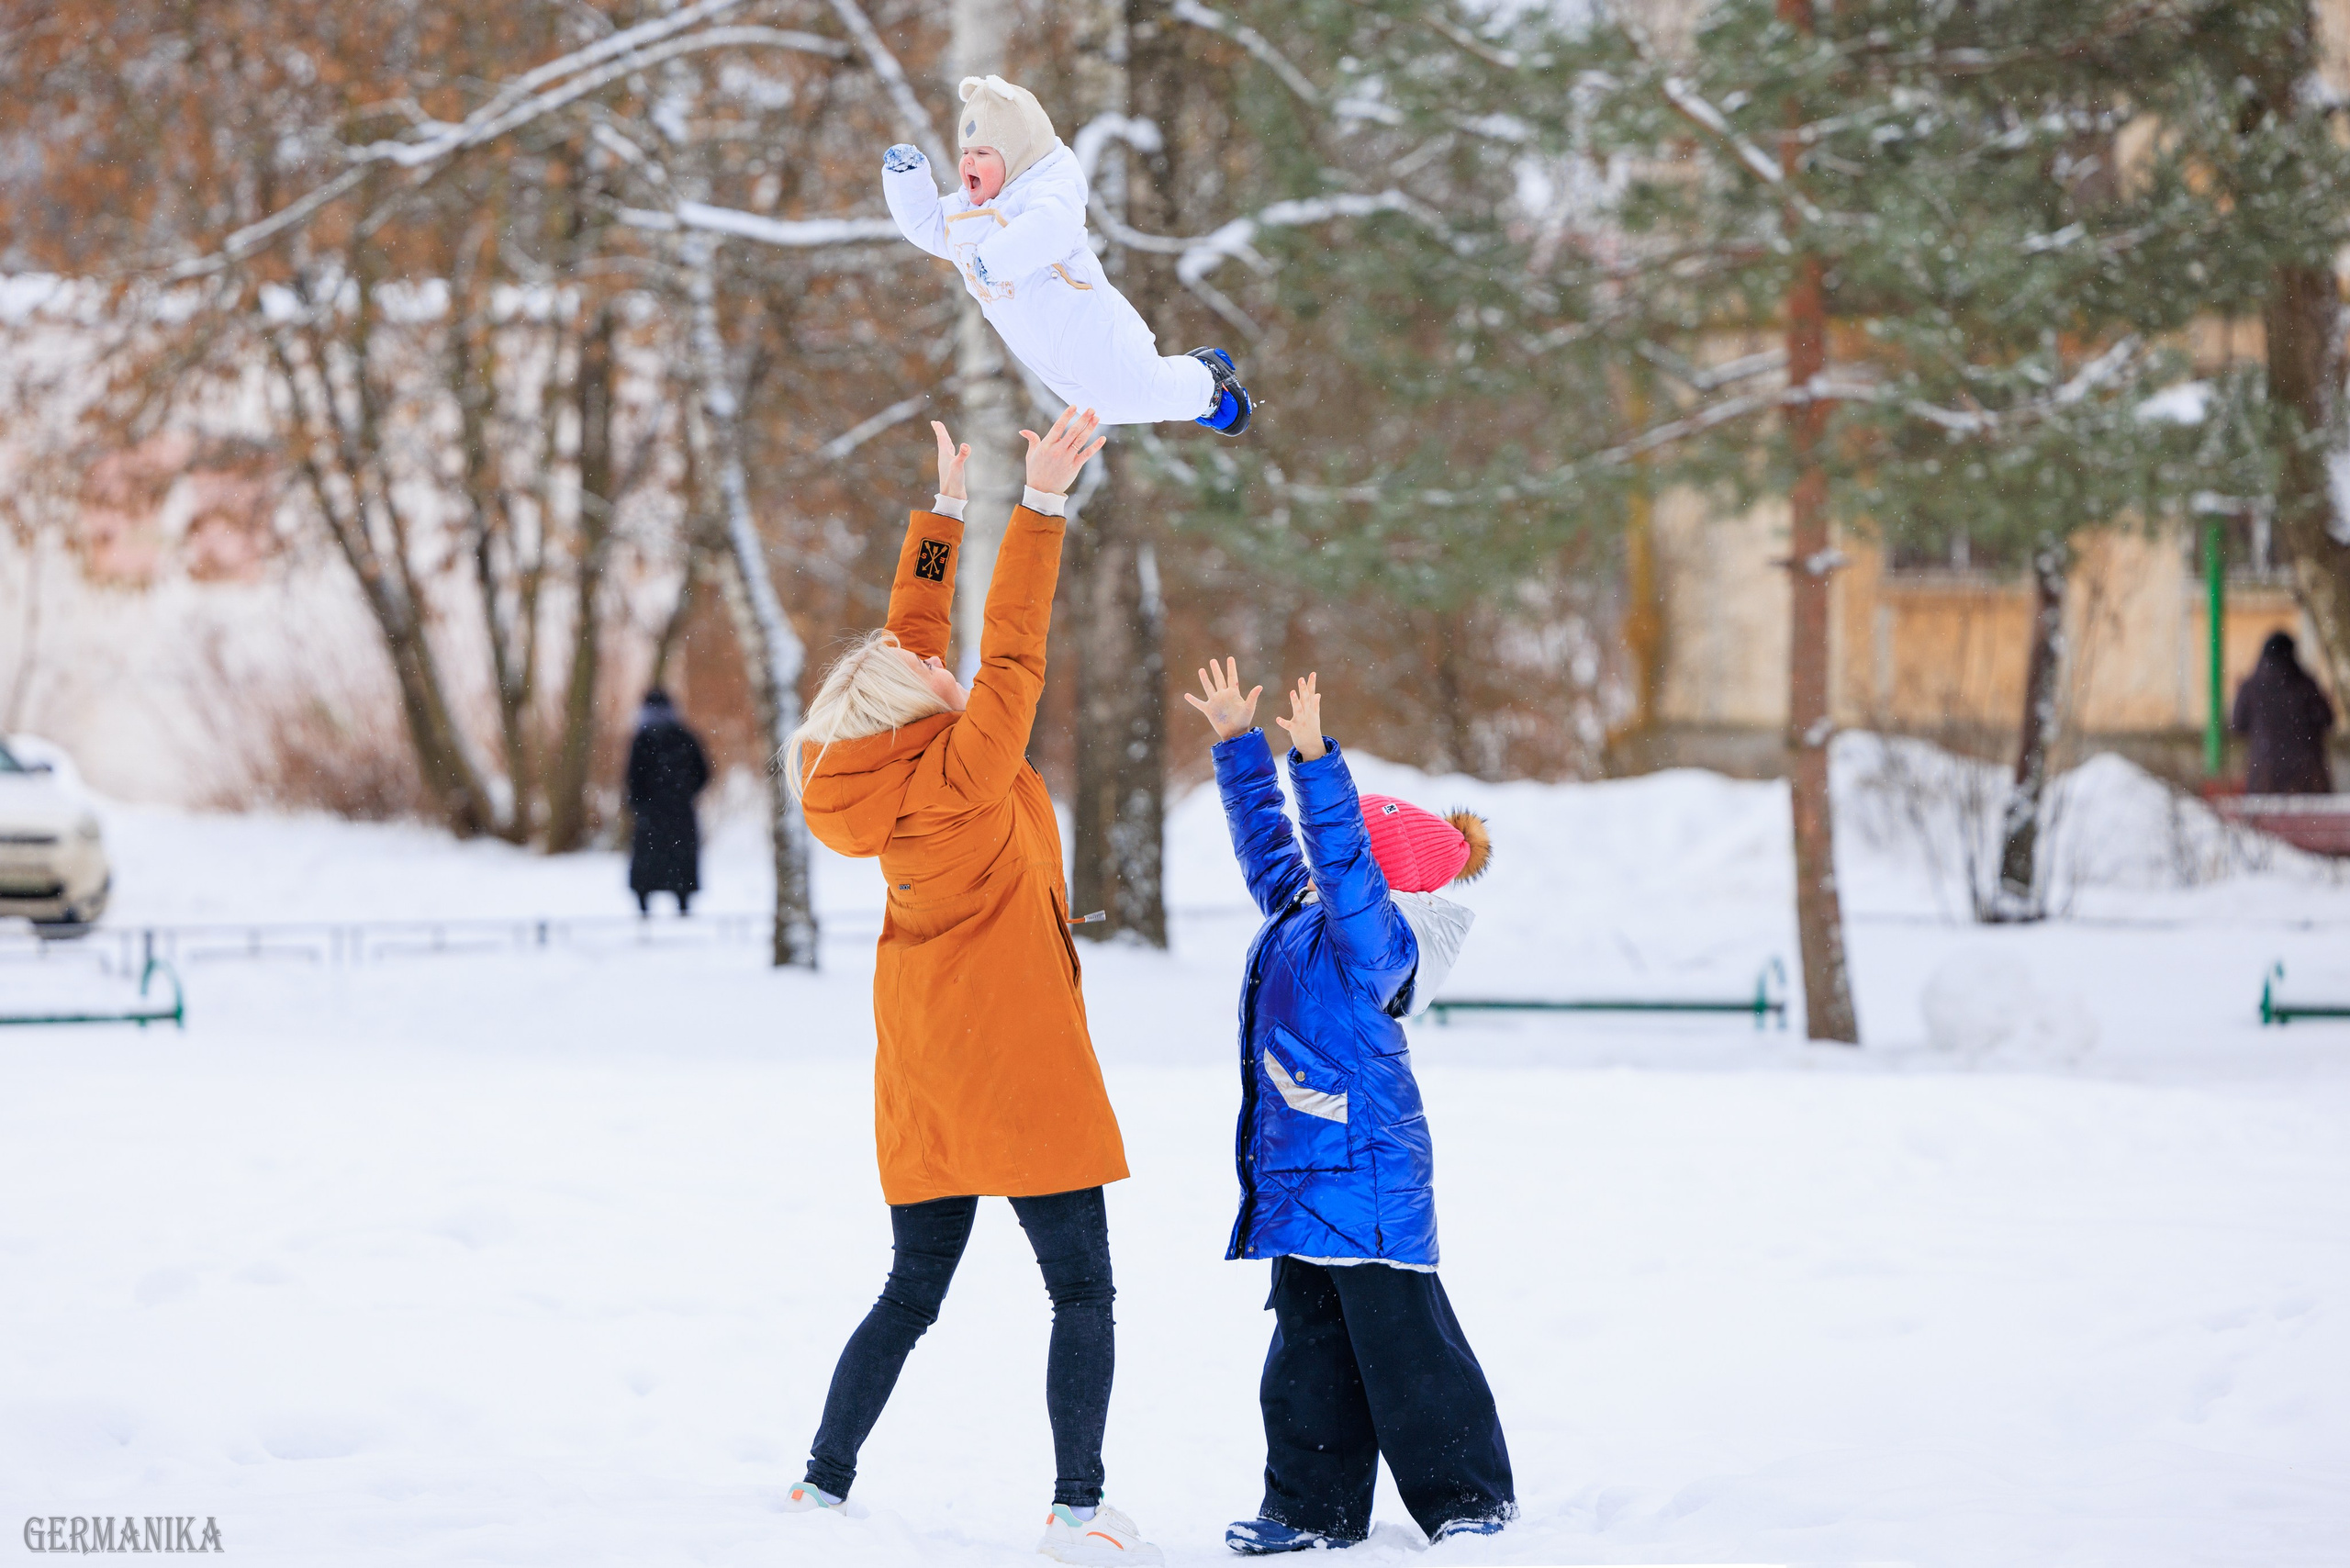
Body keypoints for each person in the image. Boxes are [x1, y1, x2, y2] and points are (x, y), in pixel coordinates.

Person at [779, 409, 1163, 1566]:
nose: (932, 658)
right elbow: (1014, 651)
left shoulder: (866, 765)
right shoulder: (967, 762)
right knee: (1083, 1291)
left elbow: (912, 637)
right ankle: (1077, 1508)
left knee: (910, 1290)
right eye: (926, 674)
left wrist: (943, 513)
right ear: (920, 709)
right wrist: (1040, 506)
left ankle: (821, 1483)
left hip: (926, 1066)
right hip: (1017, 1062)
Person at [1182, 660, 1515, 1555]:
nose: (1330, 868)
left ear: (1377, 879)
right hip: (1301, 1170)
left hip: (1363, 1170)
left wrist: (1318, 760)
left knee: (1405, 1349)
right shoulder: (1302, 916)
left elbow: (1335, 852)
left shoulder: (1378, 941)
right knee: (1305, 1354)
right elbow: (1271, 846)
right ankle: (1311, 1508)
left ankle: (1469, 1500)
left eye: (1351, 864)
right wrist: (1237, 747)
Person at [882, 73, 1252, 435]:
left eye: (981, 153)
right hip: (1038, 345)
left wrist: (994, 260)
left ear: (1017, 155)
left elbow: (1051, 227)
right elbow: (929, 226)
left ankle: (1207, 383)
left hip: (1086, 325)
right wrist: (906, 179)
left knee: (1141, 390)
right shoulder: (967, 214)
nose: (967, 163)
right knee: (1100, 410)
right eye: (965, 153)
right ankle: (1197, 390)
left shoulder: (1048, 190)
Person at [623, 689, 711, 916]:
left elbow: (632, 779)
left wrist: (639, 803)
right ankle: (682, 902)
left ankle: (645, 902)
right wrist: (685, 794)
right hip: (678, 812)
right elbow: (703, 773)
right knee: (678, 860)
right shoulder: (684, 737)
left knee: (649, 863)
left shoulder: (642, 740)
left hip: (651, 815)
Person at [2232, 631, 2337, 795]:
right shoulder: (2307, 685)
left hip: (2264, 779)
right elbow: (2327, 720)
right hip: (2308, 778)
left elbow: (2237, 725)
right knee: (2311, 820)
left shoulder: (2251, 687)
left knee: (2265, 819)